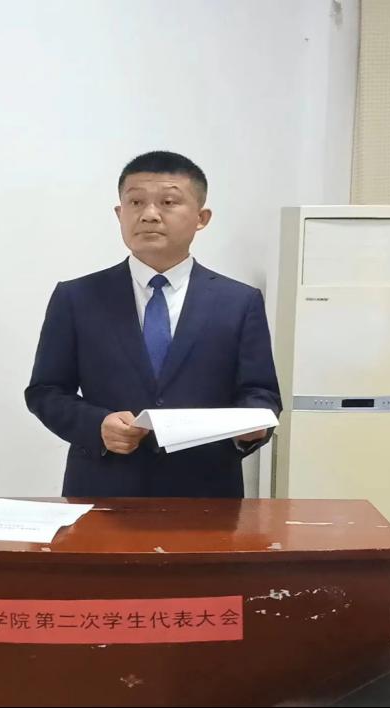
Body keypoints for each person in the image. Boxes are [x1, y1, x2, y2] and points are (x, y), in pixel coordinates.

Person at [25, 151, 281, 497]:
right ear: (120, 214)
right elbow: (46, 391)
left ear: (201, 218)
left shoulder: (239, 301)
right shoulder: (77, 297)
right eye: (135, 202)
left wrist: (249, 428)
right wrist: (96, 425)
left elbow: (260, 393)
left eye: (168, 202)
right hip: (103, 489)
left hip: (206, 493)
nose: (149, 214)